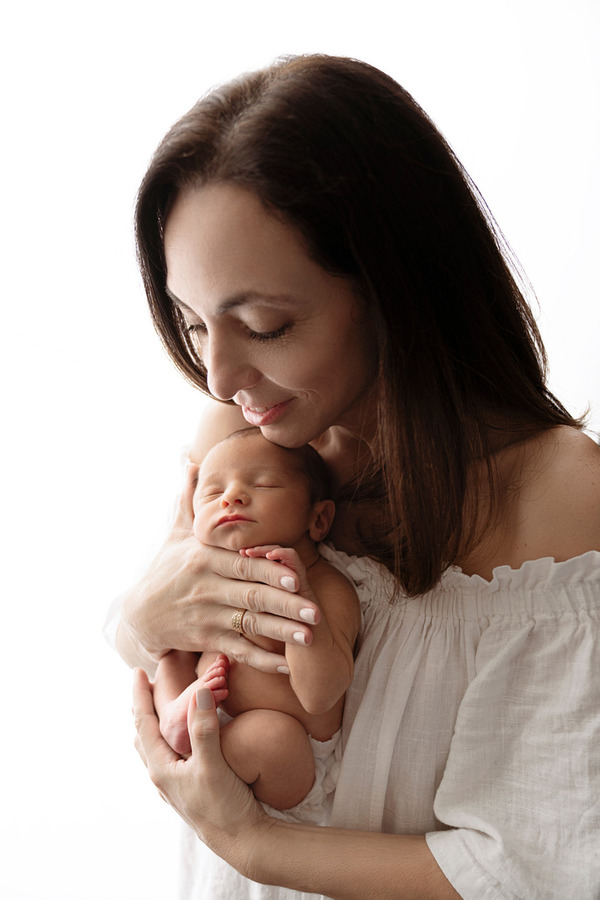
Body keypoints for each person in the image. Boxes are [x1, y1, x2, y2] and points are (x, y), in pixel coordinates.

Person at [114, 54, 600, 899]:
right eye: (193, 325)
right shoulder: (245, 444)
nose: (220, 376)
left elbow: (527, 869)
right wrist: (141, 615)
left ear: (391, 289)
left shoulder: (559, 502)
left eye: (264, 325)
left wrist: (254, 843)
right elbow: (158, 642)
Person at [151, 426, 361, 818]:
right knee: (170, 656)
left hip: (292, 753)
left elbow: (319, 696)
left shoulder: (327, 587)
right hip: (208, 711)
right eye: (212, 493)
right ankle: (174, 717)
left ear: (318, 519)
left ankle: (194, 736)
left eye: (263, 484)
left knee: (272, 736)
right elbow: (163, 641)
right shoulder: (207, 580)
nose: (231, 497)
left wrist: (300, 602)